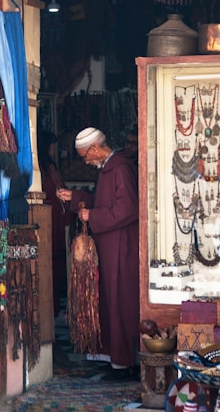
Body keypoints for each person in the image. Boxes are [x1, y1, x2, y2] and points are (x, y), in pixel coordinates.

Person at [56, 126, 140, 380]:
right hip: (109, 245)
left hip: (121, 247)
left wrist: (93, 216)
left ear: (94, 149)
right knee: (107, 301)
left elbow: (127, 208)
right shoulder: (108, 168)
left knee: (119, 302)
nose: (86, 161)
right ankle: (111, 358)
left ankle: (124, 363)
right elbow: (105, 201)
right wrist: (77, 197)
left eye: (85, 156)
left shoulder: (121, 168)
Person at [38, 130, 73, 317]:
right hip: (49, 219)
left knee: (57, 259)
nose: (54, 149)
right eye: (52, 146)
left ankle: (57, 304)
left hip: (57, 219)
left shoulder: (50, 167)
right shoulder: (43, 168)